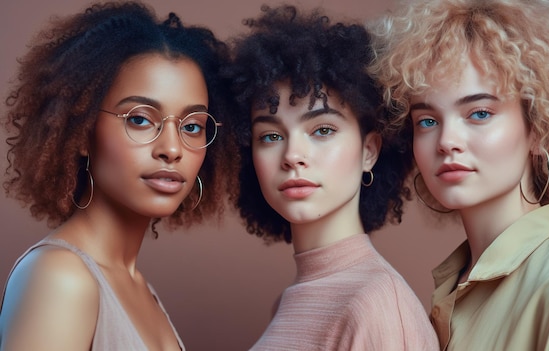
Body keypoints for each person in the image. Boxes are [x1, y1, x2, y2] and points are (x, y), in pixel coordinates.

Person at [368, 0, 549, 349]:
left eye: (479, 113)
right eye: (427, 120)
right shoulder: (450, 289)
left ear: (540, 130)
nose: (446, 141)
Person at [0, 2, 233, 350]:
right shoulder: (60, 277)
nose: (172, 148)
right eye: (140, 119)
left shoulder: (137, 286)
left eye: (192, 125)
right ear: (81, 131)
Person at [224, 4, 439, 350]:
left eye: (322, 130)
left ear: (369, 151)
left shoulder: (376, 306)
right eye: (271, 136)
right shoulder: (289, 302)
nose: (293, 155)